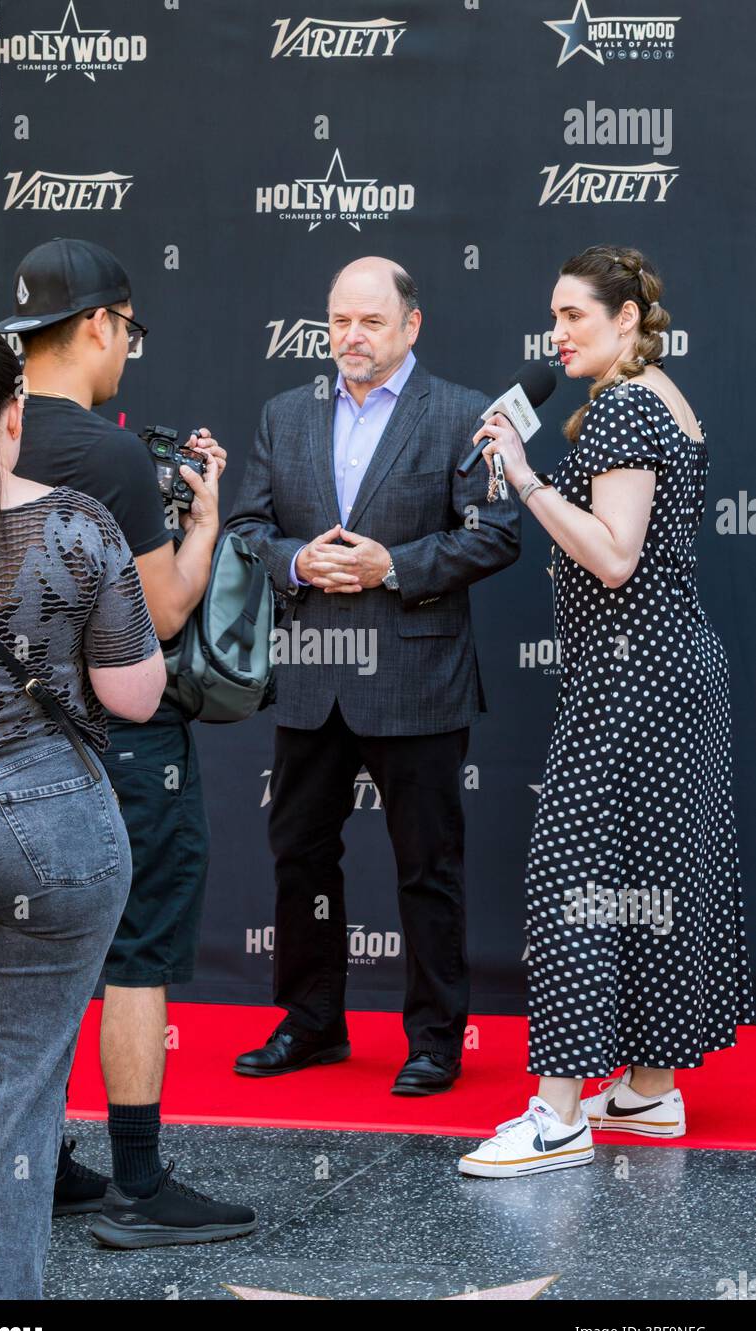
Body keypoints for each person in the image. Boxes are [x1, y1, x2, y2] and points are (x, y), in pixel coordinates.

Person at [458, 245, 755, 1178]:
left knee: (571, 883)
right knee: (654, 880)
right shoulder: (659, 393)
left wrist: (524, 469)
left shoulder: (626, 406)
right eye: (553, 317)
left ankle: (556, 1119)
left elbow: (615, 556)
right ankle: (647, 1093)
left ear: (625, 318)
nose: (557, 334)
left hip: (637, 679)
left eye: (574, 316)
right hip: (667, 672)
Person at [0, 323, 166, 1297]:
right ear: (13, 415)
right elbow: (134, 697)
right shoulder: (76, 524)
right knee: (16, 1101)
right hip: (52, 831)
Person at [0, 237, 256, 1247]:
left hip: (6, 750)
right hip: (123, 744)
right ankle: (140, 1187)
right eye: (127, 331)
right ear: (98, 324)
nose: (127, 352)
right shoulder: (105, 454)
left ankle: (42, 1169)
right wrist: (204, 521)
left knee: (37, 960)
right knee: (134, 957)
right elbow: (165, 611)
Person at [225, 256, 520, 1096]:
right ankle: (312, 1022)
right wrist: (294, 560)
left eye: (371, 323)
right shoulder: (286, 415)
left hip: (417, 683)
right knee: (298, 859)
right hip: (312, 682)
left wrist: (393, 564)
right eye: (339, 322)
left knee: (428, 868)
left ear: (410, 327)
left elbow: (496, 533)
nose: (351, 338)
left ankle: (433, 1040)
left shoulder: (463, 415)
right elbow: (246, 529)